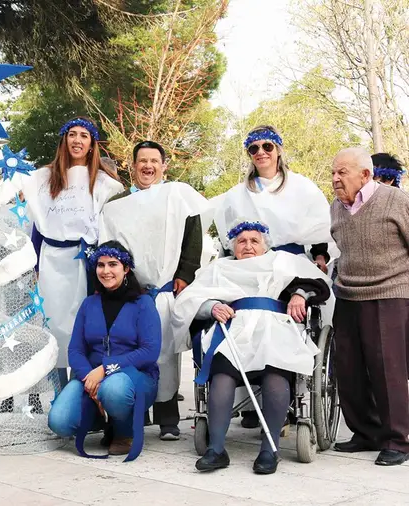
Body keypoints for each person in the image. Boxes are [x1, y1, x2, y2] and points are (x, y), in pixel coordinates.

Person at [172, 220, 330, 475]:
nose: (247, 246)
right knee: (221, 378)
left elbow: (317, 283)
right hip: (234, 331)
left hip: (274, 330)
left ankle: (270, 449)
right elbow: (189, 299)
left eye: (254, 241)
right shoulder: (219, 268)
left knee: (275, 380)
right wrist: (211, 306)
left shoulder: (280, 261)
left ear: (265, 245)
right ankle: (216, 449)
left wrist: (300, 294)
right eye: (241, 241)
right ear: (232, 246)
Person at [213, 125, 332, 429]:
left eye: (267, 146)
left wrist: (319, 257)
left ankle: (286, 392)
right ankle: (251, 399)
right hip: (252, 264)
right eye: (254, 149)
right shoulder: (237, 195)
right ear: (249, 155)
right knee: (246, 323)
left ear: (278, 149)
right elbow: (229, 238)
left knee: (284, 323)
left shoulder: (302, 187)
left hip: (290, 264)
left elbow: (319, 228)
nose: (261, 153)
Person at [99, 140, 207, 441]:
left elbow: (192, 237)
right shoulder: (117, 204)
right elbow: (111, 246)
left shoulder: (177, 196)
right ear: (133, 166)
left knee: (165, 354)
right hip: (132, 292)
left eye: (153, 161)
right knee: (131, 350)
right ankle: (136, 414)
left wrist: (185, 274)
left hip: (165, 288)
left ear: (163, 166)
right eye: (141, 161)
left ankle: (168, 418)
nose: (147, 166)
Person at [22, 116, 124, 385]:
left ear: (92, 144)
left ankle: (83, 389)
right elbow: (36, 224)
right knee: (52, 326)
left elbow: (111, 226)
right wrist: (33, 265)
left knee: (83, 327)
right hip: (50, 260)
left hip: (84, 263)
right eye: (72, 134)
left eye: (84, 136)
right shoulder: (43, 178)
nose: (77, 140)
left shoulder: (104, 182)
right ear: (64, 140)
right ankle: (57, 390)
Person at [329, 147, 409, 466]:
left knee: (387, 368)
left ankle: (398, 440)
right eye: (333, 172)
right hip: (347, 292)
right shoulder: (335, 207)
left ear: (365, 175)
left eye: (342, 172)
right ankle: (365, 432)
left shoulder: (396, 201)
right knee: (347, 368)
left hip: (390, 291)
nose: (335, 178)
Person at [48, 241, 160, 461]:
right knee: (59, 422)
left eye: (113, 264)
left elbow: (149, 351)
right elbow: (76, 350)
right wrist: (89, 379)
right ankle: (101, 419)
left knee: (113, 390)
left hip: (134, 379)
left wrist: (106, 369)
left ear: (126, 268)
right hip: (92, 377)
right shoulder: (88, 304)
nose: (106, 271)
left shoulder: (143, 304)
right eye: (100, 265)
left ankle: (124, 430)